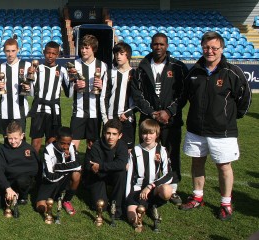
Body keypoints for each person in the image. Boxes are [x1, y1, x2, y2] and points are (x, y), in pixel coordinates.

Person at [180, 31, 251, 221]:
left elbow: (245, 98)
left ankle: (226, 202)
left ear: (222, 49)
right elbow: (184, 97)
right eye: (206, 47)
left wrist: (230, 117)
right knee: (197, 162)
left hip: (223, 131)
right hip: (196, 129)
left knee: (224, 166)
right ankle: (197, 196)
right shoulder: (194, 71)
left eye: (214, 48)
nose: (210, 51)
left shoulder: (232, 72)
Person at [131, 32, 188, 205]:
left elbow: (184, 93)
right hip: (149, 119)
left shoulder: (178, 67)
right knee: (147, 151)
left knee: (171, 152)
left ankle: (172, 189)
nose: (158, 47)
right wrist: (152, 113)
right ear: (151, 45)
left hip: (171, 120)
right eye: (155, 44)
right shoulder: (142, 66)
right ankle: (144, 184)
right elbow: (137, 94)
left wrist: (169, 112)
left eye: (162, 44)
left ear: (167, 46)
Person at [126, 119, 173, 230]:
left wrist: (150, 186)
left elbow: (168, 175)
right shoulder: (135, 151)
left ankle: (153, 205)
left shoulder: (162, 150)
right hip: (137, 190)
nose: (148, 136)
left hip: (153, 190)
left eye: (151, 133)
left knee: (167, 190)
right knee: (134, 220)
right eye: (145, 133)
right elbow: (129, 176)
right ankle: (145, 207)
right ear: (141, 134)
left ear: (157, 134)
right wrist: (128, 197)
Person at [68, 34, 107, 151]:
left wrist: (102, 86)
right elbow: (68, 90)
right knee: (73, 144)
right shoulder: (74, 65)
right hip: (79, 111)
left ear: (93, 48)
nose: (83, 50)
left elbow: (107, 91)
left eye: (87, 48)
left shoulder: (102, 66)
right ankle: (73, 168)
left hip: (95, 112)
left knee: (92, 145)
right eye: (82, 48)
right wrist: (74, 86)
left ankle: (89, 168)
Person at [29, 41, 70, 153]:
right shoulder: (38, 68)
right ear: (44, 52)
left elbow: (69, 93)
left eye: (53, 53)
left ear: (58, 54)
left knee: (51, 142)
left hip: (54, 111)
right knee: (36, 143)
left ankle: (48, 168)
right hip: (39, 110)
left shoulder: (62, 70)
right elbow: (32, 91)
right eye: (48, 53)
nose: (50, 56)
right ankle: (34, 169)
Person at [84, 119, 128, 220]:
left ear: (120, 136)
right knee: (99, 207)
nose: (111, 137)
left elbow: (121, 165)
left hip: (111, 175)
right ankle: (103, 195)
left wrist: (101, 166)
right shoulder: (96, 146)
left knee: (121, 173)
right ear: (104, 133)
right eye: (108, 133)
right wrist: (113, 166)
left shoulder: (122, 146)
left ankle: (116, 206)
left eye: (114, 134)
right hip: (97, 177)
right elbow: (96, 171)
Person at [35, 127, 81, 216]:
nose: (66, 146)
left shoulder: (71, 146)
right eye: (63, 143)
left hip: (61, 177)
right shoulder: (48, 150)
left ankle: (66, 200)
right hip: (48, 182)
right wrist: (68, 168)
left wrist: (56, 167)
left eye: (68, 143)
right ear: (56, 139)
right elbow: (50, 176)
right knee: (41, 208)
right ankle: (55, 195)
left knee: (76, 174)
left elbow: (78, 165)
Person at [0, 121, 40, 206]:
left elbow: (35, 169)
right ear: (6, 137)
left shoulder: (29, 149)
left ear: (22, 136)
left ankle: (23, 196)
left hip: (23, 181)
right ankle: (12, 192)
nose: (13, 141)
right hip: (9, 181)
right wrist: (7, 187)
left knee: (22, 180)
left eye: (15, 138)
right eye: (10, 138)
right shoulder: (2, 149)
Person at [0, 38, 32, 137]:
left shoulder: (26, 66)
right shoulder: (0, 67)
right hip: (4, 110)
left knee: (20, 140)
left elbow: (33, 90)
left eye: (13, 51)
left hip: (20, 110)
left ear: (18, 50)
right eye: (7, 51)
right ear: (4, 51)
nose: (10, 54)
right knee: (7, 140)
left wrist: (29, 88)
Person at [103, 42, 136, 150]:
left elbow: (139, 99)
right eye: (116, 53)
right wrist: (105, 118)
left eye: (121, 53)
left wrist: (129, 113)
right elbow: (104, 96)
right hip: (111, 118)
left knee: (127, 151)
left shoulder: (135, 74)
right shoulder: (109, 73)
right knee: (109, 150)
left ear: (128, 55)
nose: (118, 56)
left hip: (127, 119)